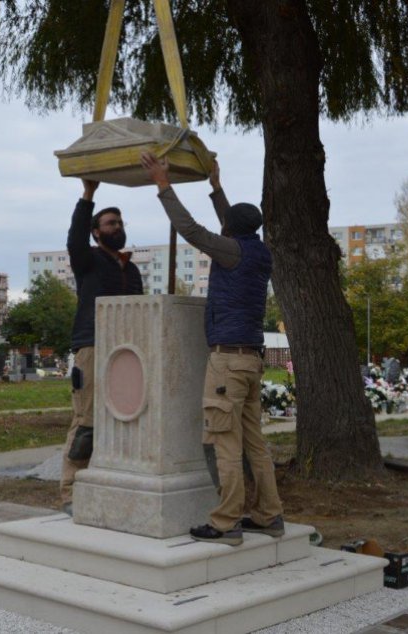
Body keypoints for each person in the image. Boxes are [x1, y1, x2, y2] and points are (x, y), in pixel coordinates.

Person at [140, 152, 284, 546]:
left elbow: (192, 230)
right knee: (255, 443)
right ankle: (270, 515)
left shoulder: (231, 251)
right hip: (251, 360)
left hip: (227, 360)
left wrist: (162, 184)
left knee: (225, 442)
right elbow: (230, 227)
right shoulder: (259, 252)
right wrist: (216, 187)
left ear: (232, 230)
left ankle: (226, 522)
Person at [60, 178, 144, 515]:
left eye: (121, 222)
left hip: (128, 352)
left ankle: (105, 484)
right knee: (86, 421)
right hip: (93, 348)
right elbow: (74, 237)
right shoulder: (88, 260)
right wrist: (88, 195)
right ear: (97, 232)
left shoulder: (132, 269)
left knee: (123, 421)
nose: (118, 227)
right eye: (111, 223)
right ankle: (70, 493)